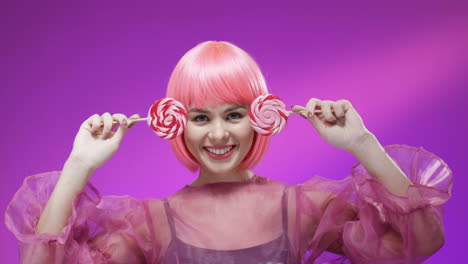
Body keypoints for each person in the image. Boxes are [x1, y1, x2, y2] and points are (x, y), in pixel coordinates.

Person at [5, 41, 452, 264]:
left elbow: (421, 242)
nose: (218, 134)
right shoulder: (151, 223)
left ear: (261, 114)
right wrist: (78, 165)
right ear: (176, 121)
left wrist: (362, 143)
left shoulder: (302, 208)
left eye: (233, 114)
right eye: (200, 118)